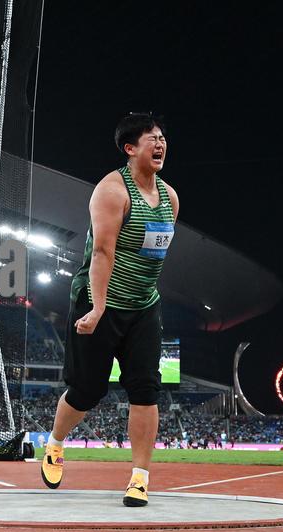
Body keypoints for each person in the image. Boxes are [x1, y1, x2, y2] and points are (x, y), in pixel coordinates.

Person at [40, 113, 179, 507]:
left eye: (162, 137)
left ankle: (139, 479)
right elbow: (102, 252)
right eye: (151, 138)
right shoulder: (112, 191)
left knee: (146, 390)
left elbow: (155, 255)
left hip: (144, 306)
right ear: (130, 148)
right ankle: (55, 443)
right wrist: (99, 308)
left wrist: (145, 296)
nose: (160, 143)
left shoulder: (169, 198)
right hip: (98, 301)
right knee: (87, 391)